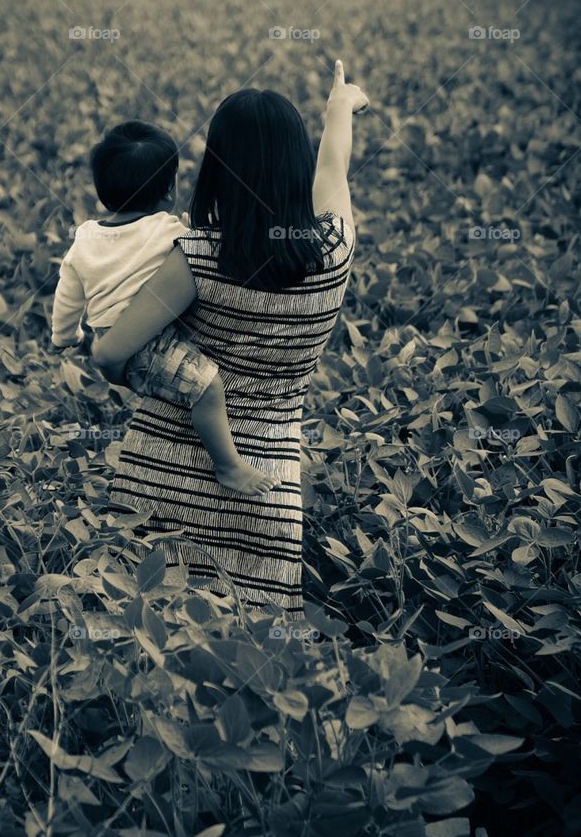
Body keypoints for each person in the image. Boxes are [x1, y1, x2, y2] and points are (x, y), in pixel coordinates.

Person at [92, 60, 368, 618]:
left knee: (143, 657)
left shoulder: (195, 257)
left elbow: (112, 352)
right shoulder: (334, 254)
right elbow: (333, 170)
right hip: (265, 490)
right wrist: (340, 108)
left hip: (157, 488)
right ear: (295, 164)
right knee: (256, 666)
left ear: (215, 167)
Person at [51, 120, 275, 495]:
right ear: (169, 190)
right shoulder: (167, 231)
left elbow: (67, 295)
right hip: (147, 345)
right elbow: (198, 253)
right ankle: (228, 465)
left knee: (186, 384)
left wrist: (66, 335)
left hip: (110, 335)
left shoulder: (86, 238)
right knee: (208, 387)